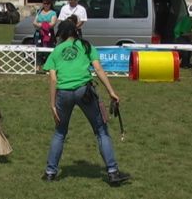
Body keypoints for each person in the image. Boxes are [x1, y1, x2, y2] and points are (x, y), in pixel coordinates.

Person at [41, 20, 130, 184]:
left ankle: (50, 172)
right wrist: (111, 92)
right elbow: (98, 69)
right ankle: (112, 172)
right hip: (85, 90)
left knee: (60, 133)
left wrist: (52, 104)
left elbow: (53, 79)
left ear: (62, 34)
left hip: (63, 93)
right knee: (101, 131)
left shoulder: (56, 51)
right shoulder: (86, 46)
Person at [33, 0, 57, 72]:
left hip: (49, 34)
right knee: (38, 49)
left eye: (47, 4)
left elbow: (52, 24)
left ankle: (48, 67)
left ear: (50, 4)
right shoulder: (39, 12)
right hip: (39, 33)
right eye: (44, 3)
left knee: (48, 50)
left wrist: (41, 25)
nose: (46, 5)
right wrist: (43, 25)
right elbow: (34, 22)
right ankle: (37, 67)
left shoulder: (53, 13)